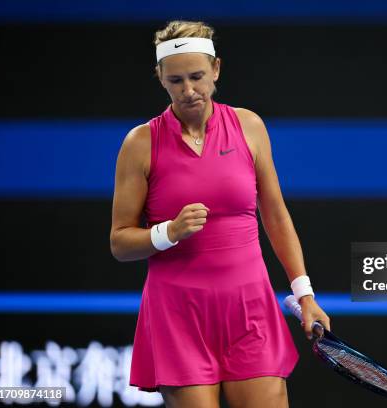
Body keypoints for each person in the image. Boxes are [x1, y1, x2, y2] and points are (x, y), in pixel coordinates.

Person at [109, 20, 331, 408]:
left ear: (216, 69)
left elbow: (276, 217)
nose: (189, 90)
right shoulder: (140, 143)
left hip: (250, 311)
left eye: (197, 76)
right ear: (160, 77)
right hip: (178, 316)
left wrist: (305, 294)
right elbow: (120, 243)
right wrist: (168, 232)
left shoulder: (249, 127)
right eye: (176, 80)